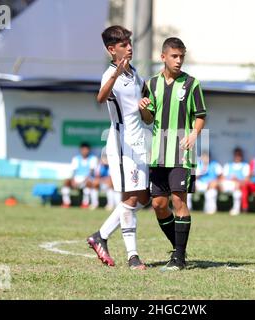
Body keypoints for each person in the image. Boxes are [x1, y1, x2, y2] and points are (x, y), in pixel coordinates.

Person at [139, 37, 207, 271]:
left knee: (179, 201)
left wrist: (194, 134)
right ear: (163, 57)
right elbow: (148, 119)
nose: (178, 61)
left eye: (181, 57)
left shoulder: (192, 84)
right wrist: (144, 108)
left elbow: (200, 115)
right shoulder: (151, 83)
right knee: (158, 205)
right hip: (158, 154)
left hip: (181, 153)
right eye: (174, 56)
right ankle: (180, 249)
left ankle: (178, 259)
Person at [87, 26, 152, 270]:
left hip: (139, 143)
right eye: (124, 44)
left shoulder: (135, 74)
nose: (130, 47)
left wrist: (147, 105)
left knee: (143, 196)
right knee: (132, 197)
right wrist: (116, 74)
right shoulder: (110, 73)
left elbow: (146, 112)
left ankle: (100, 236)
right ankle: (133, 256)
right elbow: (100, 98)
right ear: (111, 50)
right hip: (122, 145)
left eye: (129, 43)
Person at [61, 142, 98, 209]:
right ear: (80, 150)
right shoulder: (76, 158)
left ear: (89, 150)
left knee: (88, 183)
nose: (84, 151)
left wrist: (83, 181)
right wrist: (73, 180)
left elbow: (91, 173)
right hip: (77, 178)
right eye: (83, 149)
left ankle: (85, 203)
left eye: (86, 150)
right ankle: (66, 202)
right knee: (66, 182)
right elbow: (72, 171)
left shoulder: (93, 158)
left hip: (87, 179)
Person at [219, 147, 250, 216]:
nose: (237, 157)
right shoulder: (228, 165)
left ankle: (236, 209)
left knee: (237, 193)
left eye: (239, 155)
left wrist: (237, 181)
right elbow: (222, 178)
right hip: (228, 184)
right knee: (212, 190)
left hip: (239, 185)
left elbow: (246, 179)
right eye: (236, 155)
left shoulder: (245, 165)